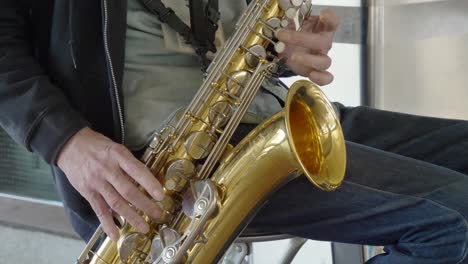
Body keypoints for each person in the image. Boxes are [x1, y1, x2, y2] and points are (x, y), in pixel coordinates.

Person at [0, 1, 467, 263]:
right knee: (457, 220)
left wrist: (287, 45)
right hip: (161, 166)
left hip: (264, 114)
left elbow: (226, 37)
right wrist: (63, 140)